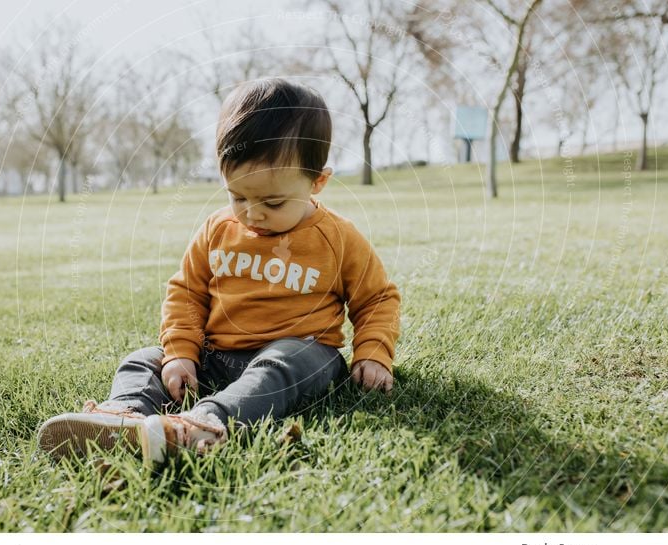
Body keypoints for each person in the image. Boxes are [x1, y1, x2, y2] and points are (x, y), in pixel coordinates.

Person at [37, 78, 401, 463]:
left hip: (301, 353)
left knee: (286, 362)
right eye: (238, 196)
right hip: (217, 358)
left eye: (273, 202)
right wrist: (180, 353)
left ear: (318, 181)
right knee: (145, 359)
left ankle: (204, 423)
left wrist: (373, 352)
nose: (252, 213)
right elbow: (187, 292)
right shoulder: (217, 229)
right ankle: (121, 417)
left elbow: (377, 298)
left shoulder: (337, 237)